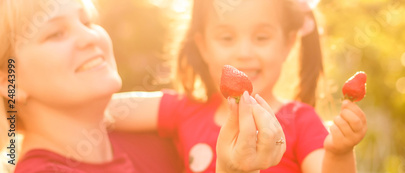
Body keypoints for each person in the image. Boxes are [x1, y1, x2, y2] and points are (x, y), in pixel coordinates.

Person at [0, 0, 285, 172]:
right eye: (55, 33)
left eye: (87, 21)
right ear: (9, 81)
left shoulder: (159, 138)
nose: (90, 37)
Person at [109, 0, 368, 172]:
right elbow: (104, 110)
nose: (244, 52)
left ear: (288, 44)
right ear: (203, 47)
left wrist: (339, 153)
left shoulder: (299, 120)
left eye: (261, 37)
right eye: (226, 37)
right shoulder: (184, 110)